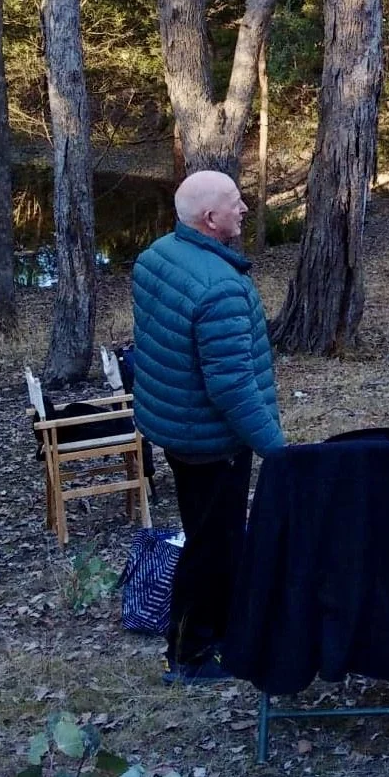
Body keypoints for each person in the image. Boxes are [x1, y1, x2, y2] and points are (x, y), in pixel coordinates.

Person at [131, 169, 286, 684]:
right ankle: (189, 654)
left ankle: (220, 627)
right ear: (209, 218)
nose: (244, 208)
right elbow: (231, 388)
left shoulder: (157, 256)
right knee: (211, 543)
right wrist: (277, 449)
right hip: (210, 439)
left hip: (174, 427)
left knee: (211, 533)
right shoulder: (219, 288)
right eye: (235, 203)